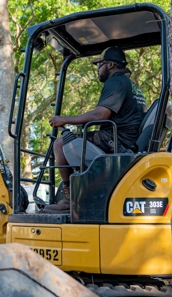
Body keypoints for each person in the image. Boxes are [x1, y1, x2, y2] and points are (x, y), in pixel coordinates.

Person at [43, 47, 146, 213]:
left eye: (99, 64)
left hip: (115, 140)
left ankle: (70, 199)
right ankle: (83, 191)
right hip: (127, 140)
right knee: (75, 138)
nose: (98, 69)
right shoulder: (132, 86)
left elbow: (101, 114)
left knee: (60, 144)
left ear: (110, 64)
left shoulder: (116, 82)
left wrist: (65, 119)